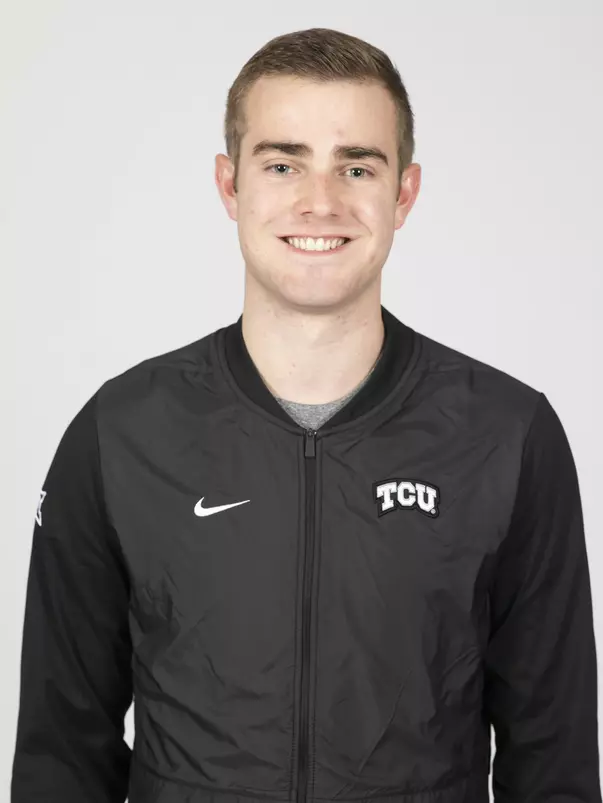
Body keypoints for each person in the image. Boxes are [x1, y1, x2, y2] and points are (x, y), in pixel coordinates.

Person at [10, 26, 601, 803]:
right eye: (283, 164)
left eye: (356, 166)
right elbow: (59, 755)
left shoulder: (506, 436)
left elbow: (554, 763)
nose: (319, 201)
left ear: (403, 193)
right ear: (229, 185)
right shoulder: (120, 435)